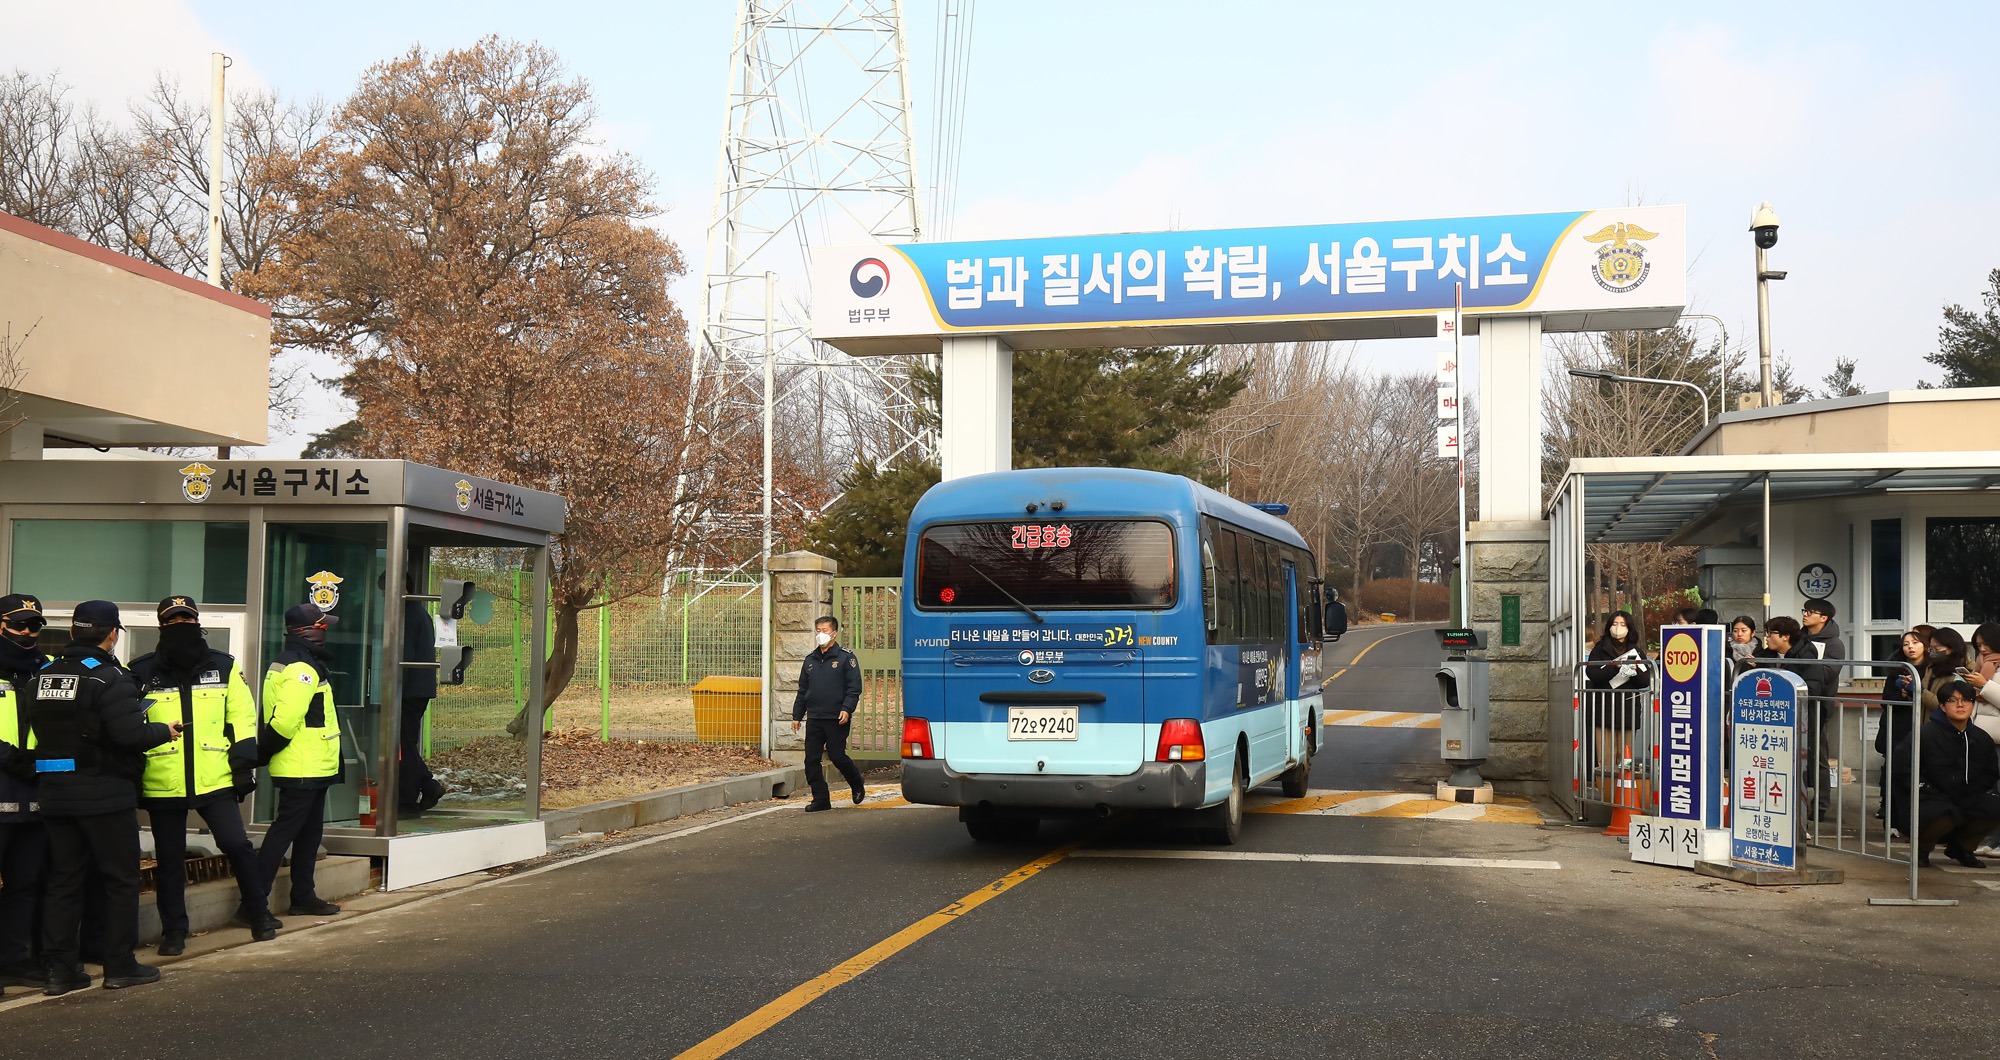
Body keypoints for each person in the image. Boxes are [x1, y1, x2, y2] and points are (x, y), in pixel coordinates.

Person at [30, 600, 176, 994]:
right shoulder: (111, 679)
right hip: (105, 794)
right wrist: (164, 730)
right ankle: (119, 965)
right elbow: (130, 736)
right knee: (119, 880)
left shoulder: (42, 675)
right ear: (112, 635)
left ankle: (60, 971)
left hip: (55, 793)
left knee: (64, 881)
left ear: (74, 632)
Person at [128, 597, 279, 954]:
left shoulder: (223, 666)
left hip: (215, 777)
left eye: (187, 617)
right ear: (161, 626)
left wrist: (243, 767)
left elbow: (242, 718)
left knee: (238, 846)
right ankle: (174, 932)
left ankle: (259, 914)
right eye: (173, 619)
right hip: (163, 779)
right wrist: (133, 773)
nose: (181, 623)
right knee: (169, 859)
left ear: (198, 622)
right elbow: (130, 724)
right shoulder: (140, 670)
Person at [256, 604, 345, 917]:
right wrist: (261, 754)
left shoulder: (299, 661)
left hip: (311, 764)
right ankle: (253, 904)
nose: (326, 632)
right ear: (308, 631)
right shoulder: (301, 668)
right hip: (302, 765)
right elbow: (284, 722)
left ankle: (303, 896)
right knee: (284, 834)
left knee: (309, 834)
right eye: (323, 626)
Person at [0, 594, 49, 991]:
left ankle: (16, 959)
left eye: (36, 626)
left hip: (35, 791)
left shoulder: (47, 671)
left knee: (25, 883)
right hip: (2, 779)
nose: (30, 633)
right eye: (20, 625)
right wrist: (10, 756)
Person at [1915, 680, 2000, 868]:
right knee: (1944, 814)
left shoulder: (1981, 738)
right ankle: (1922, 849)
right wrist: (1928, 790)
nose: (1960, 705)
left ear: (1973, 704)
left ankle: (1962, 847)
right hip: (1930, 798)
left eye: (1966, 700)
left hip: (1967, 796)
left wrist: (1975, 791)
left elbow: (1991, 772)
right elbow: (1905, 771)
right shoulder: (1925, 734)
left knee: (1994, 806)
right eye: (1953, 700)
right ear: (1943, 706)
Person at [790, 615, 864, 812]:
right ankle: (821, 798)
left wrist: (847, 709)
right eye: (818, 630)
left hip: (836, 717)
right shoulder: (810, 661)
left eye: (824, 630)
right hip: (815, 717)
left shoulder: (846, 658)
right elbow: (803, 690)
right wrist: (797, 716)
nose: (820, 634)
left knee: (837, 756)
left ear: (834, 633)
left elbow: (854, 688)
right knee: (811, 760)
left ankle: (857, 782)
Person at [1584, 612, 1648, 802]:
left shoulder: (1635, 651)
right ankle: (1607, 797)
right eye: (1615, 623)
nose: (1618, 627)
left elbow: (1644, 680)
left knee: (1625, 758)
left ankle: (1624, 798)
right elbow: (1593, 674)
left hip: (1628, 711)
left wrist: (1633, 670)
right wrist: (1615, 666)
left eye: (1623, 624)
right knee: (1605, 759)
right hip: (1604, 710)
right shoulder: (1599, 649)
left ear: (1630, 628)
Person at [1879, 626, 1937, 835]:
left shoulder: (1934, 670)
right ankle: (1893, 822)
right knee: (1897, 777)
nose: (1910, 647)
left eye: (1915, 642)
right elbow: (1886, 702)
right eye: (1906, 644)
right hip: (1900, 732)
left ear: (1926, 645)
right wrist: (1903, 696)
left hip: (1926, 729)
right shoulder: (1897, 669)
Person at [397, 589, 445, 817]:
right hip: (418, 688)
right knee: (405, 742)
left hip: (408, 690)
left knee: (403, 745)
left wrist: (393, 689)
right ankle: (426, 783)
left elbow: (403, 654)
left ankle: (406, 801)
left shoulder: (407, 613)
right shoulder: (419, 612)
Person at [1798, 599, 1847, 814]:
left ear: (1824, 617)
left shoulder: (1834, 644)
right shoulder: (1800, 638)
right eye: (1805, 610)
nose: (1806, 615)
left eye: (1811, 612)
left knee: (1818, 756)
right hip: (1796, 703)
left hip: (1818, 704)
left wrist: (1803, 668)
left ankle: (1821, 804)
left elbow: (1827, 673)